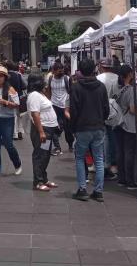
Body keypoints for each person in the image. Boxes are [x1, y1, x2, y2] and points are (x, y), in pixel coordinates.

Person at [69, 58, 109, 202]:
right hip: (98, 126)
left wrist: (73, 128)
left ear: (80, 71)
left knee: (80, 158)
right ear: (93, 69)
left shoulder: (76, 87)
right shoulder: (101, 87)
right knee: (99, 159)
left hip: (82, 127)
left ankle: (82, 189)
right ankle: (98, 191)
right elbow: (106, 109)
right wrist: (101, 120)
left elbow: (74, 111)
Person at [27, 75, 59, 191]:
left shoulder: (40, 94)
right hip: (42, 129)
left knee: (45, 155)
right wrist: (41, 132)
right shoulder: (34, 95)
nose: (45, 84)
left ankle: (44, 179)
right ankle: (38, 181)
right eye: (43, 82)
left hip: (48, 129)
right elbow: (35, 114)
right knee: (40, 155)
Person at [113, 65, 137, 190]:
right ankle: (130, 181)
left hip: (117, 123)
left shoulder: (116, 88)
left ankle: (121, 179)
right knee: (130, 152)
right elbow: (132, 109)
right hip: (128, 124)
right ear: (130, 74)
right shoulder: (131, 89)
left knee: (120, 152)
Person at [97, 58, 120, 181]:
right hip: (116, 110)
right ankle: (114, 163)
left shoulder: (98, 79)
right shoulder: (117, 77)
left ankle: (106, 162)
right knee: (114, 136)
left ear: (102, 66)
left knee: (104, 137)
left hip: (101, 110)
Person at [45, 62, 71, 155]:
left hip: (65, 106)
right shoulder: (50, 78)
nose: (60, 73)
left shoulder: (66, 79)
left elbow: (70, 91)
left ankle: (70, 144)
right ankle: (57, 147)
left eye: (62, 71)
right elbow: (48, 90)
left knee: (67, 127)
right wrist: (48, 103)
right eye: (58, 71)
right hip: (54, 105)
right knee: (54, 126)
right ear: (53, 71)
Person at [6, 61, 26, 140]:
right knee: (19, 115)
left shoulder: (5, 76)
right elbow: (24, 86)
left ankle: (15, 134)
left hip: (9, 97)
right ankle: (20, 131)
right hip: (19, 96)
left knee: (12, 116)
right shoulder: (18, 74)